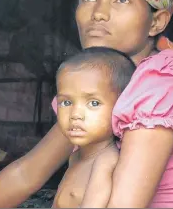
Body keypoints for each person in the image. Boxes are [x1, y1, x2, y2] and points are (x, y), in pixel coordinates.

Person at [0, 0, 173, 208]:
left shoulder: (163, 82)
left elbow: (125, 205)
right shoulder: (95, 78)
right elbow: (27, 173)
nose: (99, 13)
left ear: (156, 22)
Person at [51, 47, 136, 208]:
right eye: (66, 102)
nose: (75, 114)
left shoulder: (105, 161)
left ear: (121, 107)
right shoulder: (75, 157)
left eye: (93, 103)